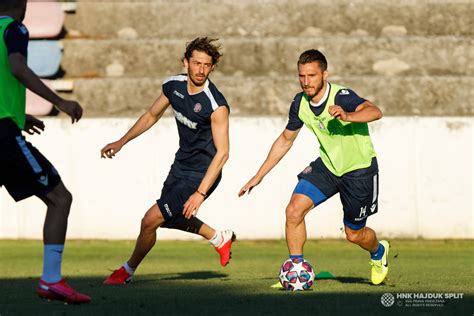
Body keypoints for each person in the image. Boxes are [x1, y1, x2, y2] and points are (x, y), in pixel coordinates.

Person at [239, 49, 389, 285]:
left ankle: (378, 252)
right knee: (293, 211)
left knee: (354, 234)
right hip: (328, 166)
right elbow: (286, 139)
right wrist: (259, 176)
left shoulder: (342, 96)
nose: (306, 82)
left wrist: (348, 115)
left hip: (358, 170)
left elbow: (375, 112)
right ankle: (296, 270)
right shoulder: (300, 103)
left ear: (324, 75)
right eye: (302, 76)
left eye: (311, 75)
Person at [101, 37, 235, 285]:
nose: (200, 69)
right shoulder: (172, 86)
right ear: (185, 62)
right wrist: (121, 141)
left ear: (212, 68)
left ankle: (127, 270)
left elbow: (223, 153)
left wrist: (200, 193)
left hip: (203, 173)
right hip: (180, 166)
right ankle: (218, 238)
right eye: (196, 63)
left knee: (150, 219)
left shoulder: (216, 104)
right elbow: (152, 114)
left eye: (206, 65)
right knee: (170, 219)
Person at [0, 0, 90, 304]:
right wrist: (61, 102)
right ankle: (51, 280)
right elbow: (16, 68)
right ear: (21, 4)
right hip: (2, 137)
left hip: (6, 127)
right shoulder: (14, 28)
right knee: (59, 197)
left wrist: (19, 116)